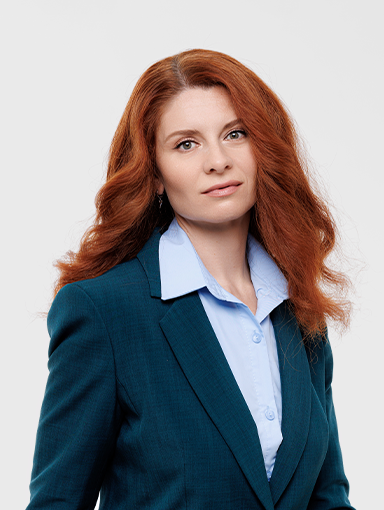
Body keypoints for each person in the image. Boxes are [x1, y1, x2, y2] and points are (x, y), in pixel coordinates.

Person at [26, 49, 355, 510]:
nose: (218, 161)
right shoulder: (104, 312)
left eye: (235, 134)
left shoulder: (298, 305)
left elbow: (327, 497)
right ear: (155, 173)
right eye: (186, 144)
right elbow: (57, 501)